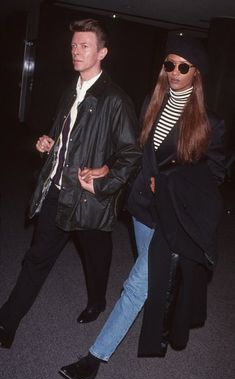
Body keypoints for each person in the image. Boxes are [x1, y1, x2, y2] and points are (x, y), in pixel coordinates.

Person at [59, 35, 226, 379]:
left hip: (173, 215)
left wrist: (172, 182)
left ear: (196, 74)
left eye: (183, 67)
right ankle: (170, 308)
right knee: (152, 277)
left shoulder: (211, 122)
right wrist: (109, 168)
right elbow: (137, 152)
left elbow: (214, 175)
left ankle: (94, 357)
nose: (175, 72)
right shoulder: (152, 100)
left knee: (136, 285)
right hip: (141, 209)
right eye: (169, 64)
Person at [0, 19, 141, 349]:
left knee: (96, 258)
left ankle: (97, 301)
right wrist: (47, 145)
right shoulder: (69, 91)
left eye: (85, 46)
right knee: (37, 258)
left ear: (102, 52)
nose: (76, 51)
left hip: (89, 200)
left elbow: (131, 153)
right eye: (74, 45)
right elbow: (66, 137)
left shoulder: (116, 101)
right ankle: (7, 322)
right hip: (57, 192)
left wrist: (104, 181)